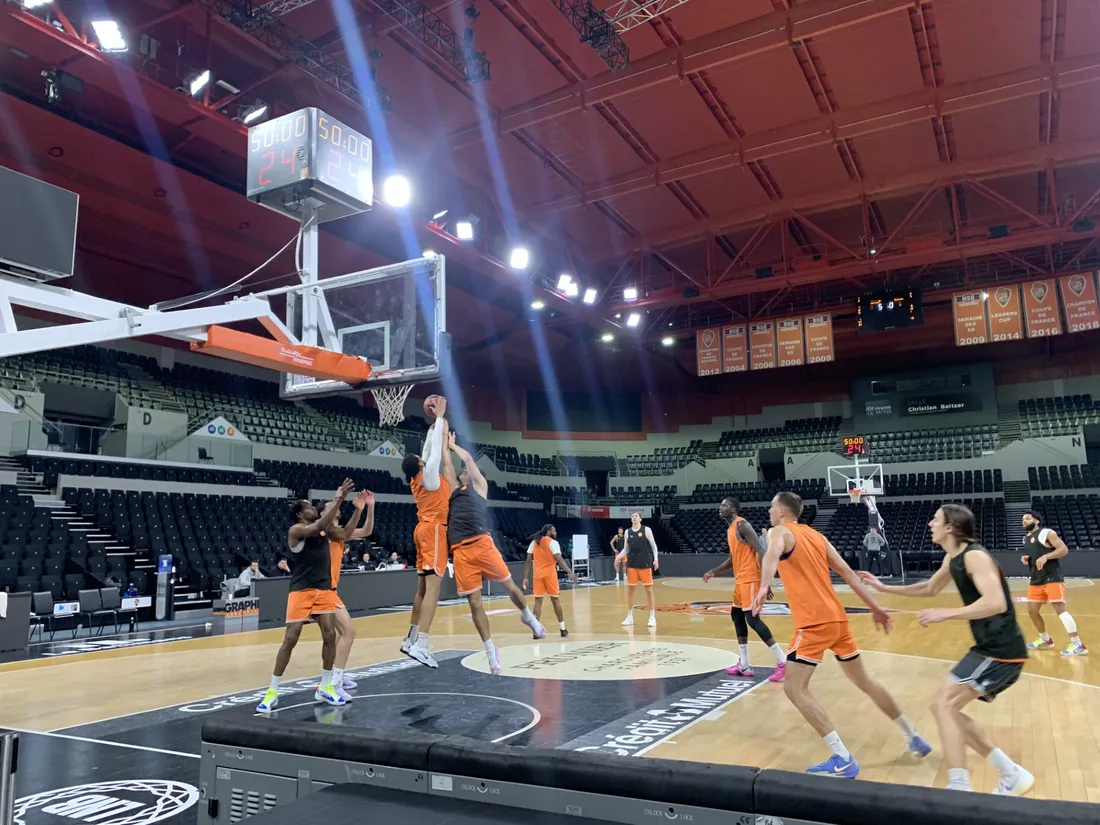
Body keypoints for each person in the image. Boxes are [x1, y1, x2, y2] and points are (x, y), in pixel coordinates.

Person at [751, 491, 930, 778]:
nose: (770, 512)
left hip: (813, 623)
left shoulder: (778, 531)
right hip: (837, 619)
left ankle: (842, 757)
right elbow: (848, 573)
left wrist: (763, 586)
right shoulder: (817, 537)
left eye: (772, 507)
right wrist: (876, 608)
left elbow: (772, 554)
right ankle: (912, 735)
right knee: (866, 682)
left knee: (793, 688)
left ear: (782, 511)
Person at [859, 504, 1033, 795]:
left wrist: (945, 614)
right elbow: (929, 588)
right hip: (987, 646)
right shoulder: (953, 557)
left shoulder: (974, 556)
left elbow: (996, 603)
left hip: (1001, 648)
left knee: (945, 707)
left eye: (936, 520)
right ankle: (1010, 773)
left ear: (950, 527)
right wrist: (884, 588)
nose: (930, 524)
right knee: (943, 707)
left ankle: (959, 787)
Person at [446, 431, 545, 674]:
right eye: (463, 471)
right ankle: (491, 649)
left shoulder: (481, 487)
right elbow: (446, 465)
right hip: (460, 550)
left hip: (483, 543)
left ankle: (528, 617)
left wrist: (453, 445)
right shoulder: (453, 490)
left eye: (468, 470)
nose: (466, 471)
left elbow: (469, 460)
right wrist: (443, 448)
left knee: (511, 587)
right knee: (474, 604)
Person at [257, 479, 354, 712]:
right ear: (301, 514)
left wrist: (359, 508)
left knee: (330, 636)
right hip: (301, 589)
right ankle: (272, 691)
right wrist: (338, 498)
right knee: (291, 638)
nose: (313, 507)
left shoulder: (325, 529)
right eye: (309, 506)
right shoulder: (297, 530)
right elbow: (318, 524)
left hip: (323, 588)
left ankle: (326, 686)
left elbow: (347, 532)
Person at [703, 498, 786, 681]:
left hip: (750, 579)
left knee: (753, 620)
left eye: (724, 505)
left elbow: (762, 551)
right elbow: (732, 559)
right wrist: (714, 571)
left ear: (733, 509)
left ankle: (783, 661)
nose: (720, 507)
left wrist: (765, 582)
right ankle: (745, 665)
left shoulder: (742, 525)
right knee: (737, 616)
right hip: (741, 580)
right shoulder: (730, 529)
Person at [399, 411, 452, 668]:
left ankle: (410, 638)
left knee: (421, 589)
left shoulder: (417, 479)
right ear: (420, 465)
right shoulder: (429, 478)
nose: (425, 458)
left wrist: (432, 430)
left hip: (422, 529)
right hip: (433, 530)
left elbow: (429, 452)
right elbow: (433, 457)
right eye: (422, 459)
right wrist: (440, 419)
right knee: (433, 589)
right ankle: (422, 643)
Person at [316, 489, 375, 701]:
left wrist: (370, 507)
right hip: (321, 591)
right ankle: (332, 683)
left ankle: (333, 677)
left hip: (330, 591)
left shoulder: (339, 532)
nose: (336, 507)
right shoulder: (322, 532)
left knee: (341, 635)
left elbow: (367, 531)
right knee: (349, 631)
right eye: (331, 505)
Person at [1020, 510, 1087, 655]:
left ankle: (1078, 644)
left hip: (1052, 577)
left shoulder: (1047, 533)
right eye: (1023, 519)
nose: (1024, 521)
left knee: (1060, 610)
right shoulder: (1026, 539)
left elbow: (1063, 549)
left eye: (1027, 518)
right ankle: (1045, 638)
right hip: (1036, 579)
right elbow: (1035, 554)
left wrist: (1046, 557)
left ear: (1037, 521)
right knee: (1032, 610)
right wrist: (1027, 557)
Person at [522, 524, 578, 638]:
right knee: (555, 600)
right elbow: (559, 559)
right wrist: (570, 572)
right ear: (548, 532)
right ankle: (563, 629)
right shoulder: (553, 543)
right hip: (550, 574)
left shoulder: (534, 542)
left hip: (537, 574)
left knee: (538, 602)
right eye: (554, 531)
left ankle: (536, 632)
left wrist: (525, 577)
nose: (555, 533)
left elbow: (528, 561)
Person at [615, 511, 659, 628]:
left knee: (649, 590)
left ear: (640, 519)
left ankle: (652, 617)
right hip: (632, 565)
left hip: (645, 563)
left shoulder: (646, 530)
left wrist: (656, 559)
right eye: (632, 516)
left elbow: (654, 546)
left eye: (636, 516)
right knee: (630, 591)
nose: (634, 518)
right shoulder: (627, 532)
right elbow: (626, 549)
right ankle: (630, 617)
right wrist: (618, 558)